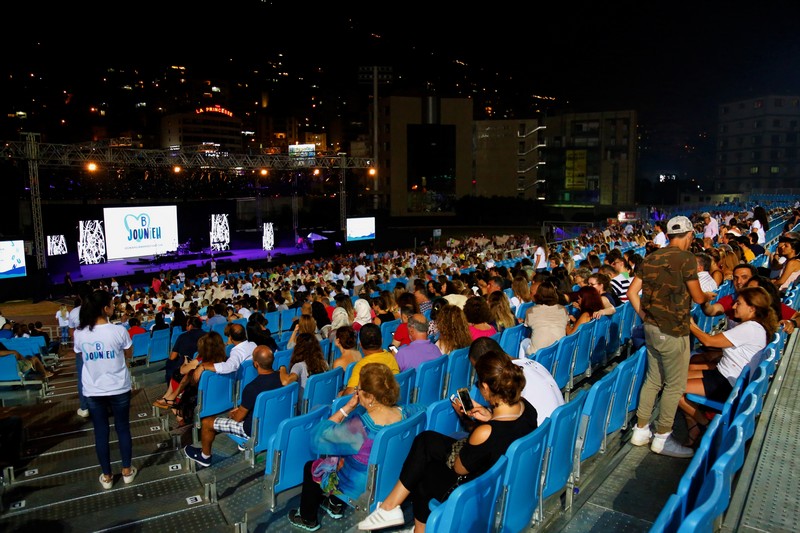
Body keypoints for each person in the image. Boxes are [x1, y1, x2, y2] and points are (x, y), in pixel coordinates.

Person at [356, 350, 537, 531]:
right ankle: (390, 507)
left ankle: (398, 514)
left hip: (476, 489)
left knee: (424, 471)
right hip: (500, 474)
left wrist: (469, 423)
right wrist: (489, 415)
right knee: (425, 441)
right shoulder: (527, 407)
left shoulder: (485, 432)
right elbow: (503, 433)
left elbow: (459, 467)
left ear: (486, 387)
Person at [287, 363, 426, 530]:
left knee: (313, 467)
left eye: (359, 388)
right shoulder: (407, 413)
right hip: (394, 479)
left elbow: (318, 438)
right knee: (344, 458)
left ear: (370, 397)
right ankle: (334, 504)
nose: (356, 391)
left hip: (360, 486)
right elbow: (426, 408)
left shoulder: (360, 428)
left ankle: (308, 518)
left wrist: (347, 408)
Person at [627, 215, 713, 458]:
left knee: (653, 380)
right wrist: (707, 297)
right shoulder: (687, 258)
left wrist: (645, 316)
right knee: (674, 386)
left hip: (651, 329)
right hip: (674, 330)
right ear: (688, 235)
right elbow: (697, 297)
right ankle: (663, 437)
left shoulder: (651, 256)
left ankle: (641, 430)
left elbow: (633, 292)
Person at [679, 286, 777, 446]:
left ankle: (705, 425)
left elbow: (708, 341)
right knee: (675, 380)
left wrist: (689, 323)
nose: (733, 307)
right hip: (724, 375)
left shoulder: (750, 328)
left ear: (751, 308)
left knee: (674, 390)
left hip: (726, 383)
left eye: (738, 304)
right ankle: (694, 427)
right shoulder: (754, 327)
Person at [72, 289, 136, 489]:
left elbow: (82, 357)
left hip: (93, 389)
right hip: (119, 387)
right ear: (105, 308)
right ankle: (126, 471)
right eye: (111, 304)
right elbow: (128, 353)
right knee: (123, 428)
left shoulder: (80, 333)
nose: (113, 307)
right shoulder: (118, 331)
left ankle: (107, 477)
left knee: (100, 432)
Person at [184, 345, 281, 468]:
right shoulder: (281, 378)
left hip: (252, 431)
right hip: (273, 425)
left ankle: (205, 456)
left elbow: (238, 419)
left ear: (256, 364)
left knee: (207, 422)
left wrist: (236, 413)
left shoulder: (252, 387)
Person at [469, 336, 563, 426]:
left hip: (540, 435)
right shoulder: (532, 363)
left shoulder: (509, 379)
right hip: (558, 428)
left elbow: (511, 430)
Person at [154, 316, 206, 408]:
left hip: (189, 366)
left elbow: (173, 356)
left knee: (170, 365)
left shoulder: (183, 337)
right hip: (202, 364)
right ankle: (169, 396)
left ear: (189, 326)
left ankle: (170, 395)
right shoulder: (207, 336)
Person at [341, 323, 400, 396]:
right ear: (382, 341)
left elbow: (349, 394)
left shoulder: (362, 366)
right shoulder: (391, 357)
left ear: (360, 345)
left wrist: (342, 394)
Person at [523, 280, 569, 356]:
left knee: (524, 342)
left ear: (538, 295)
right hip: (559, 351)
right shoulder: (563, 309)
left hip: (537, 354)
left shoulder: (530, 311)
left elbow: (527, 332)